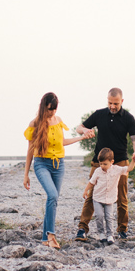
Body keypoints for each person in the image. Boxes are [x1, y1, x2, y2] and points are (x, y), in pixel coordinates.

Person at [23, 92, 92, 249]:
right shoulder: (35, 123)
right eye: (49, 109)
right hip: (42, 164)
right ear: (43, 107)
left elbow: (62, 142)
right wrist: (26, 174)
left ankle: (44, 238)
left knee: (52, 200)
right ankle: (51, 235)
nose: (52, 112)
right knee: (52, 195)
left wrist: (82, 138)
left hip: (58, 165)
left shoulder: (58, 120)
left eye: (55, 109)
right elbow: (29, 150)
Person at [74, 87, 135, 241]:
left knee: (121, 197)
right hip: (99, 162)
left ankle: (122, 229)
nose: (112, 106)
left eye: (116, 103)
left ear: (122, 101)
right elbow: (80, 127)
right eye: (110, 103)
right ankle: (82, 229)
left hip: (120, 162)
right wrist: (84, 131)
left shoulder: (128, 118)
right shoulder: (99, 114)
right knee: (91, 196)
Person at [83, 147, 135, 244]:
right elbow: (91, 182)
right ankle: (101, 233)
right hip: (98, 198)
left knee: (109, 217)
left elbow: (129, 168)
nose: (102, 166)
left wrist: (134, 161)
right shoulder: (98, 171)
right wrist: (86, 190)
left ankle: (110, 235)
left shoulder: (116, 170)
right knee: (99, 216)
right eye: (101, 164)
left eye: (105, 164)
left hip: (110, 199)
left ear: (112, 161)